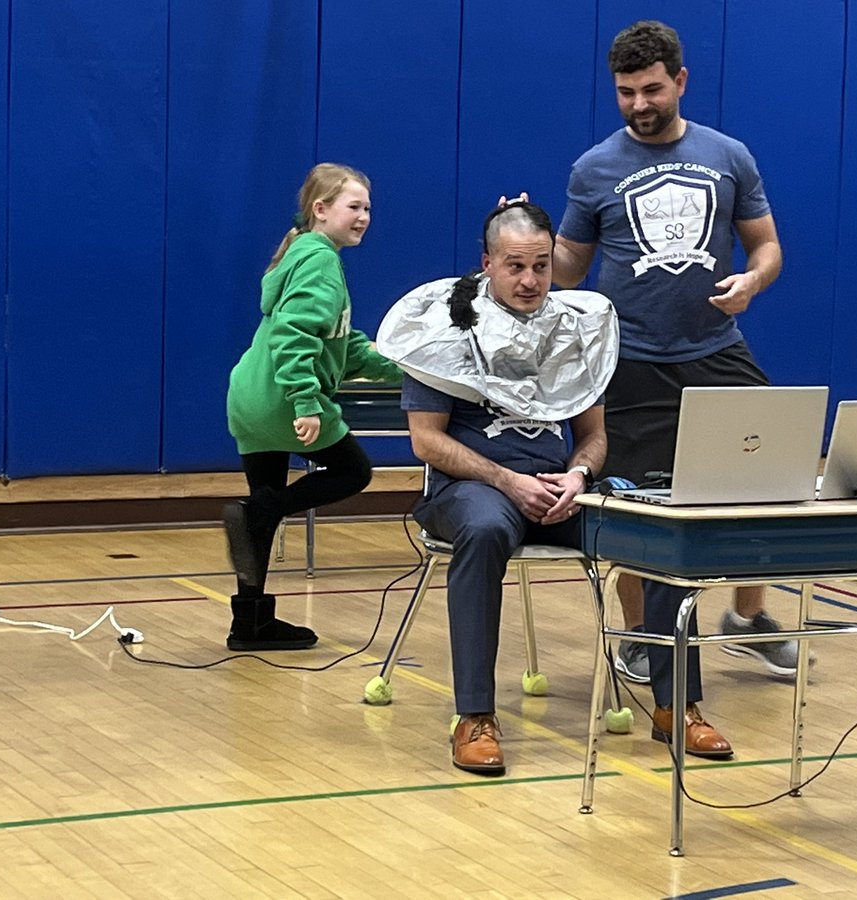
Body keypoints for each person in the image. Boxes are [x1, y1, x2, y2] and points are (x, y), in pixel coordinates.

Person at [550, 20, 812, 758]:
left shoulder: (729, 157)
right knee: (638, 501)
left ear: (681, 82)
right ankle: (640, 637)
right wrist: (535, 240)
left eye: (651, 89)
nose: (638, 103)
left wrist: (753, 281)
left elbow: (767, 246)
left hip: (715, 347)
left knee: (772, 475)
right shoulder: (593, 168)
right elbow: (568, 266)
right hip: (628, 355)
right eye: (626, 92)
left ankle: (748, 616)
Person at [375, 201, 615, 776]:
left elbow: (596, 437)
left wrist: (578, 476)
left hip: (561, 489)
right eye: (515, 266)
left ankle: (675, 702)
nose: (530, 280)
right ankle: (474, 716)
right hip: (471, 490)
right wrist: (508, 481)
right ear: (487, 264)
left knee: (653, 528)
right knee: (485, 529)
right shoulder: (442, 328)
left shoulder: (577, 330)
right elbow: (427, 444)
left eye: (540, 266)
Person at [223, 163, 401, 652]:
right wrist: (306, 403)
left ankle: (250, 623)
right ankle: (259, 508)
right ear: (320, 211)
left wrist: (408, 368)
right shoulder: (320, 260)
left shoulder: (304, 253)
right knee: (353, 472)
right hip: (284, 399)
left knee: (260, 518)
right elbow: (294, 336)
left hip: (252, 396)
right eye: (354, 207)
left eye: (368, 208)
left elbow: (345, 347)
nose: (364, 216)